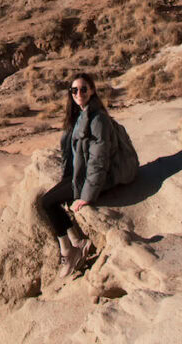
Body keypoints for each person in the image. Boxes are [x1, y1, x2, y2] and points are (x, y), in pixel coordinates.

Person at [39, 72, 117, 277]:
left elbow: (98, 160)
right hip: (78, 176)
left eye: (83, 89)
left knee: (47, 202)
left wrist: (86, 196)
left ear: (92, 90)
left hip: (91, 180)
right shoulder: (79, 116)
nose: (79, 93)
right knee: (52, 199)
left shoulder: (97, 118)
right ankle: (76, 243)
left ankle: (69, 250)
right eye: (74, 90)